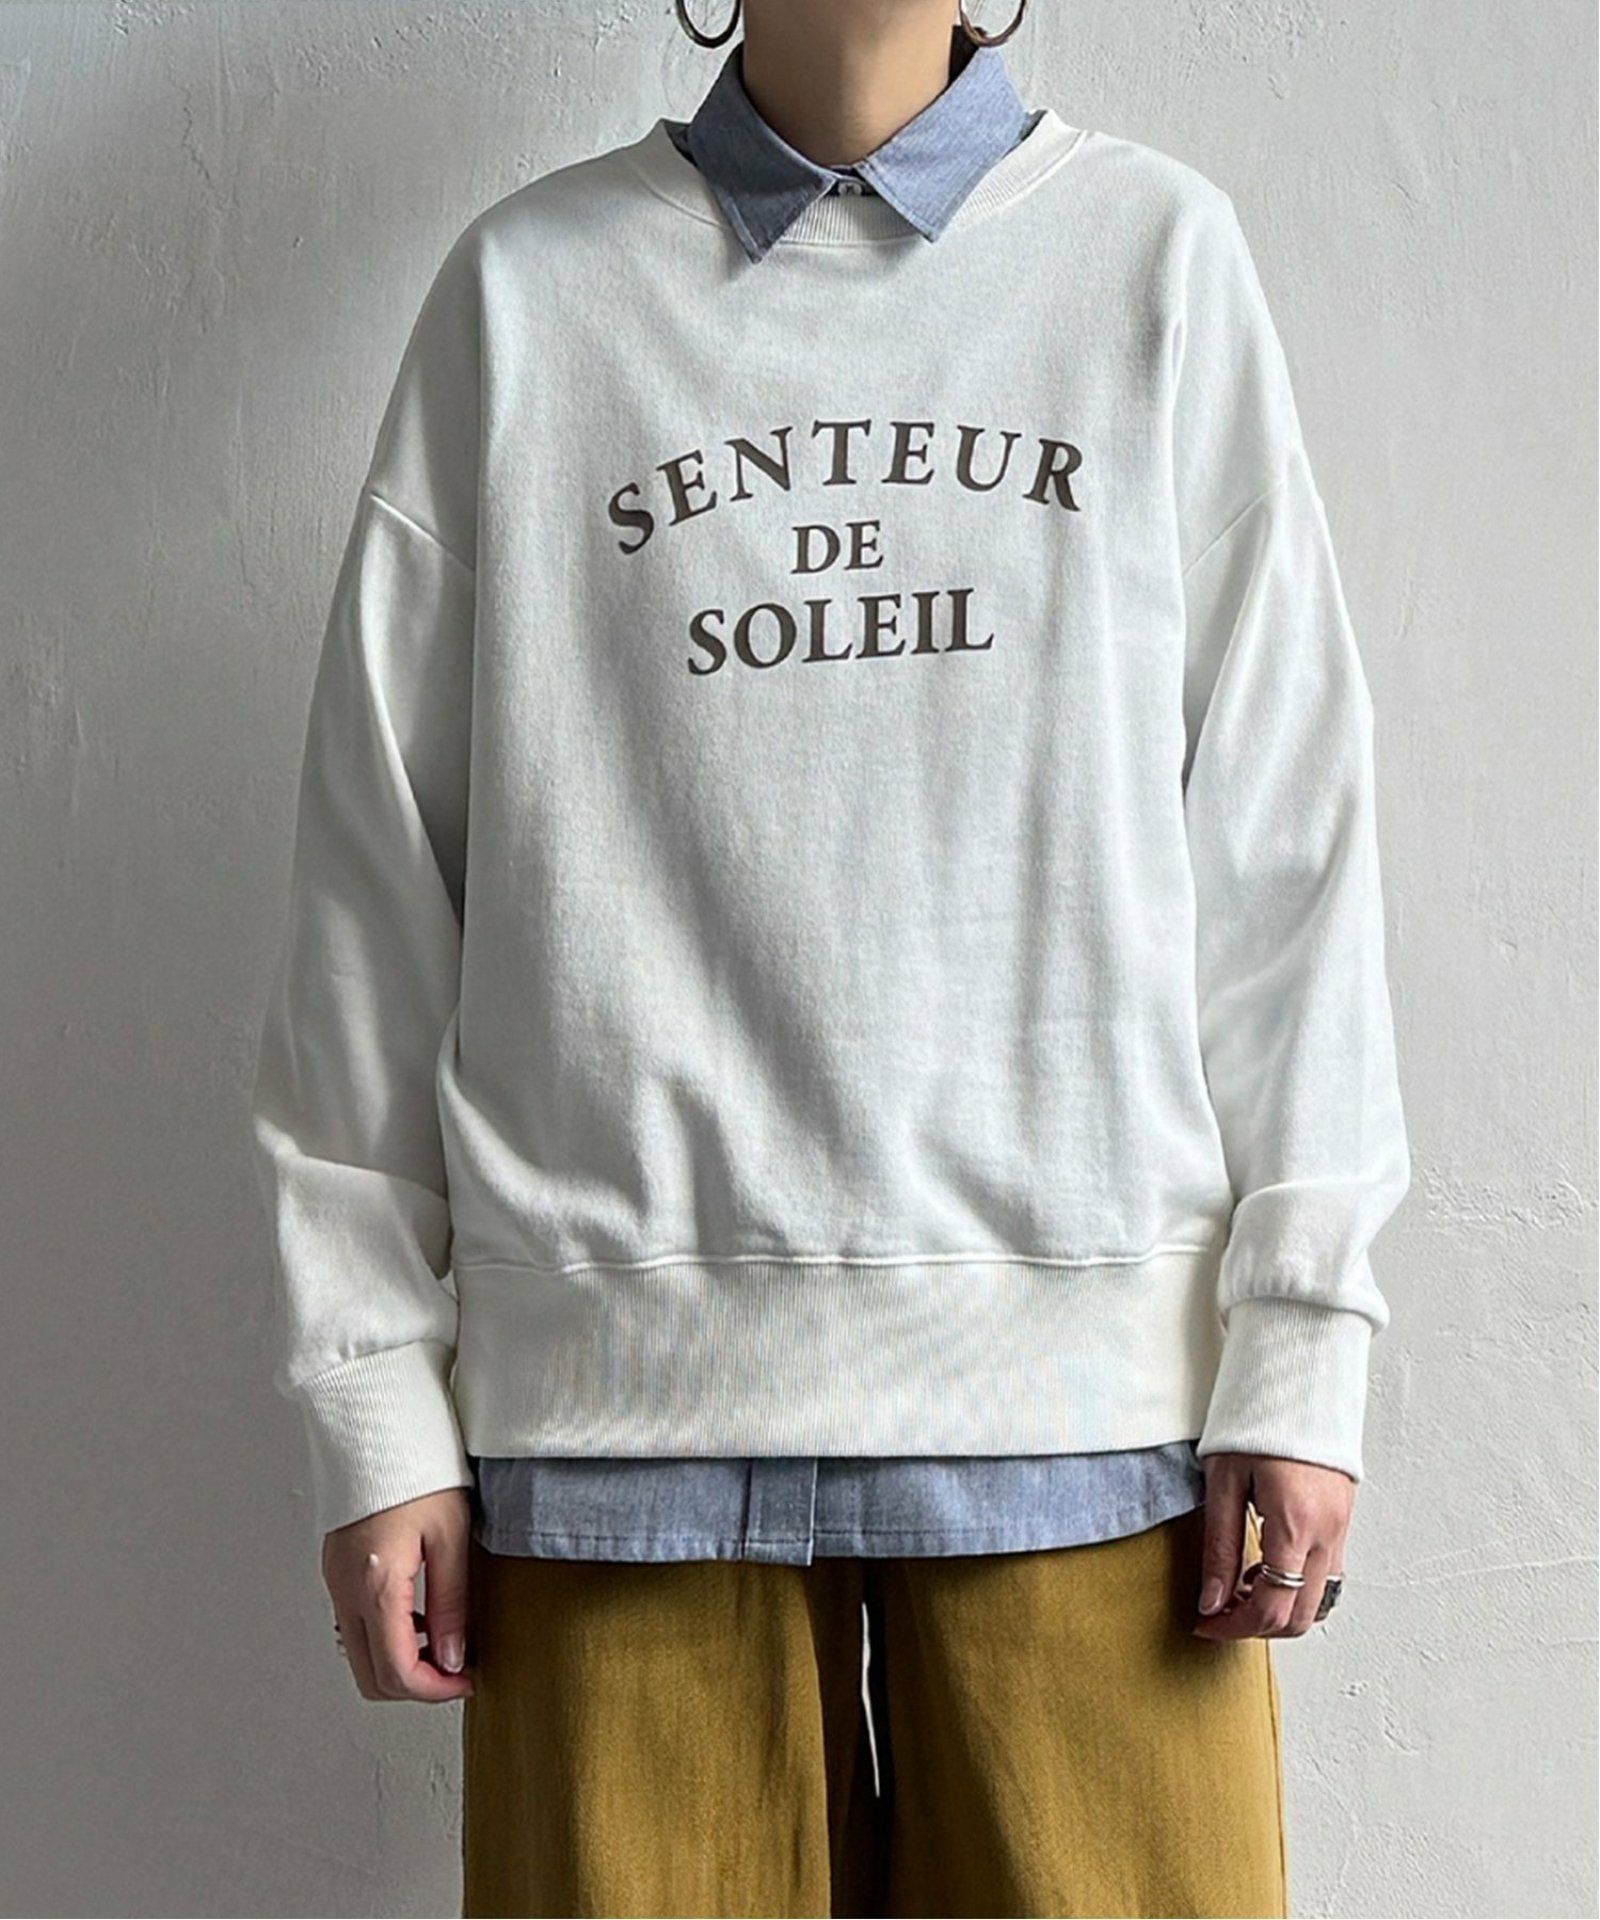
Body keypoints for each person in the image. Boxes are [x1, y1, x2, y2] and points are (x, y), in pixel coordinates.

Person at [248, 1, 1411, 1913]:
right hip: (620, 1429)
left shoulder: (1153, 261)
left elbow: (1288, 857)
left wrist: (1301, 1348)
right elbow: (373, 893)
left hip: (1091, 1423)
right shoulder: (528, 296)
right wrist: (373, 1397)